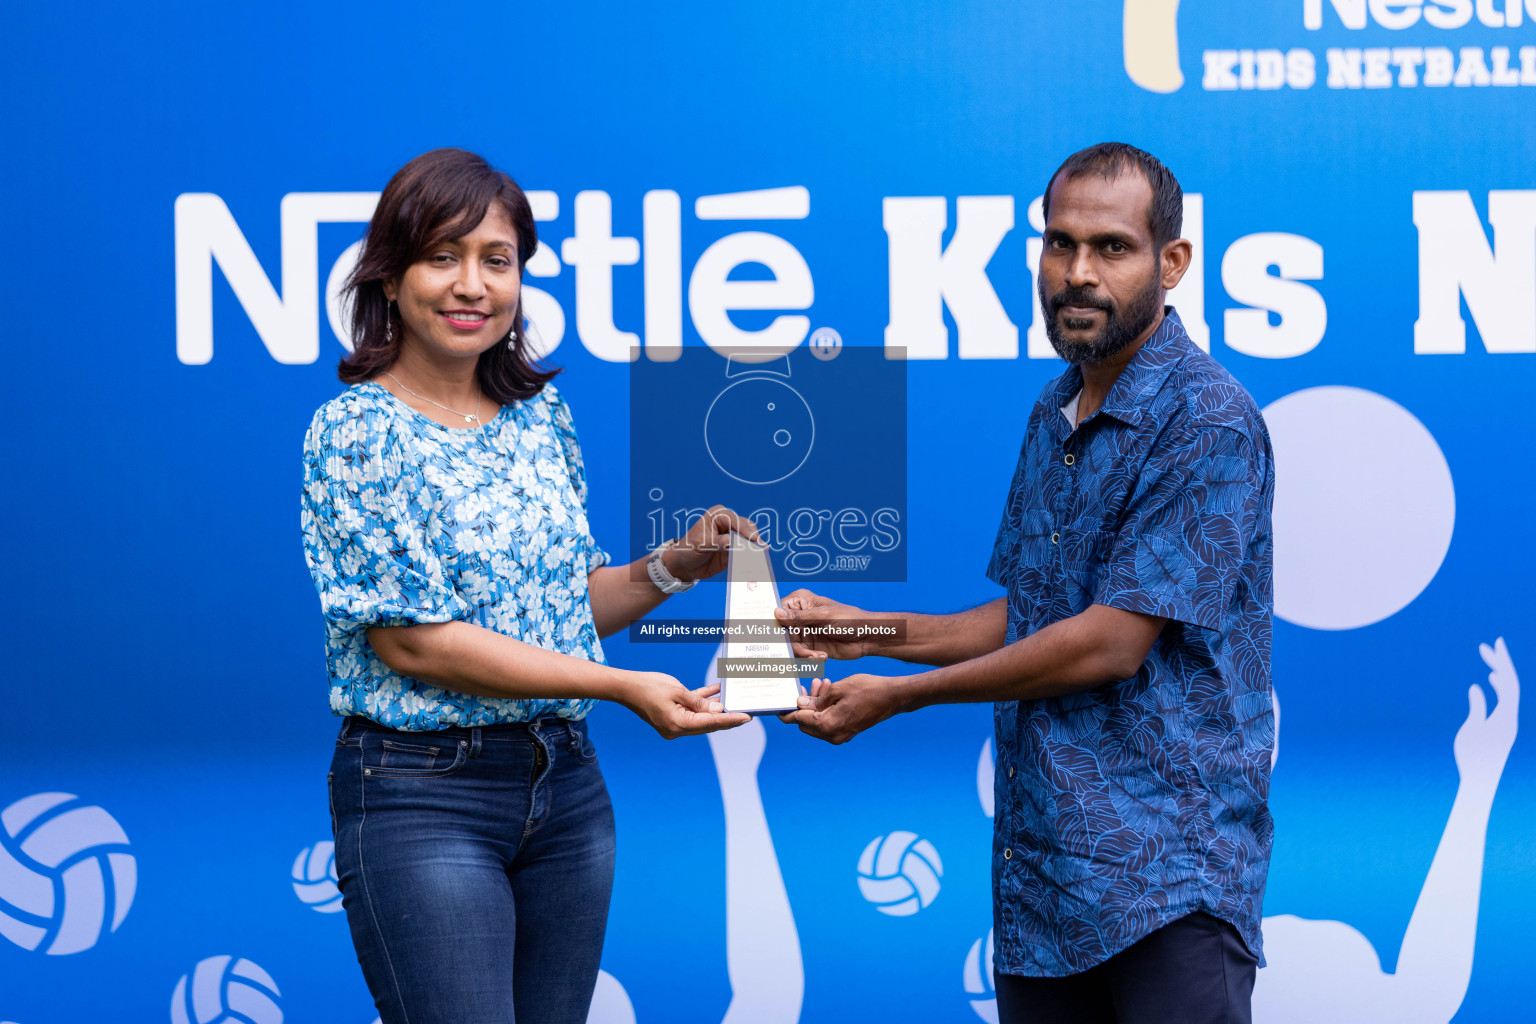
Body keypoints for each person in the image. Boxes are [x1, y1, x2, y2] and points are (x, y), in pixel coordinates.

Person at [777, 143, 1276, 1024]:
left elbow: (1110, 643)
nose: (1078, 274)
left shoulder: (1208, 417)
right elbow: (1035, 613)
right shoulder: (1056, 409)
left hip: (1169, 886)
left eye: (1111, 248)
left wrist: (898, 696)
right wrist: (868, 631)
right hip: (1045, 887)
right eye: (1060, 244)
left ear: (1173, 263)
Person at [300, 147, 751, 1024]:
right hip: (422, 794)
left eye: (496, 261)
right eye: (442, 256)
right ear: (390, 278)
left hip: (567, 793)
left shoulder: (539, 417)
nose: (472, 285)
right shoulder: (353, 432)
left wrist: (670, 568)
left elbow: (562, 617)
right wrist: (618, 685)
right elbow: (413, 641)